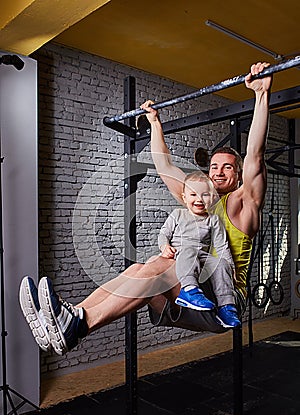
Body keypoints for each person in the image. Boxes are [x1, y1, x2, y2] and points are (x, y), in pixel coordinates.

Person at [19, 62, 272, 355]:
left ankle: (77, 325)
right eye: (214, 166)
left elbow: (255, 153)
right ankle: (72, 317)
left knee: (164, 265)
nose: (218, 172)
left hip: (222, 299)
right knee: (144, 266)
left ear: (238, 174)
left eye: (227, 167)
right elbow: (163, 163)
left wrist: (261, 95)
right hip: (187, 291)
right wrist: (154, 123)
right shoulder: (199, 200)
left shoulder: (243, 203)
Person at [157, 171, 239, 327]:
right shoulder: (178, 214)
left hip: (202, 259)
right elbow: (164, 234)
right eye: (193, 194)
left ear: (212, 197)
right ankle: (189, 290)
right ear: (184, 197)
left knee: (221, 263)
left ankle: (226, 306)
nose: (199, 199)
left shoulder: (213, 220)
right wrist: (164, 246)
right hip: (181, 255)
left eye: (205, 195)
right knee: (189, 250)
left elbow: (222, 246)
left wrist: (231, 267)